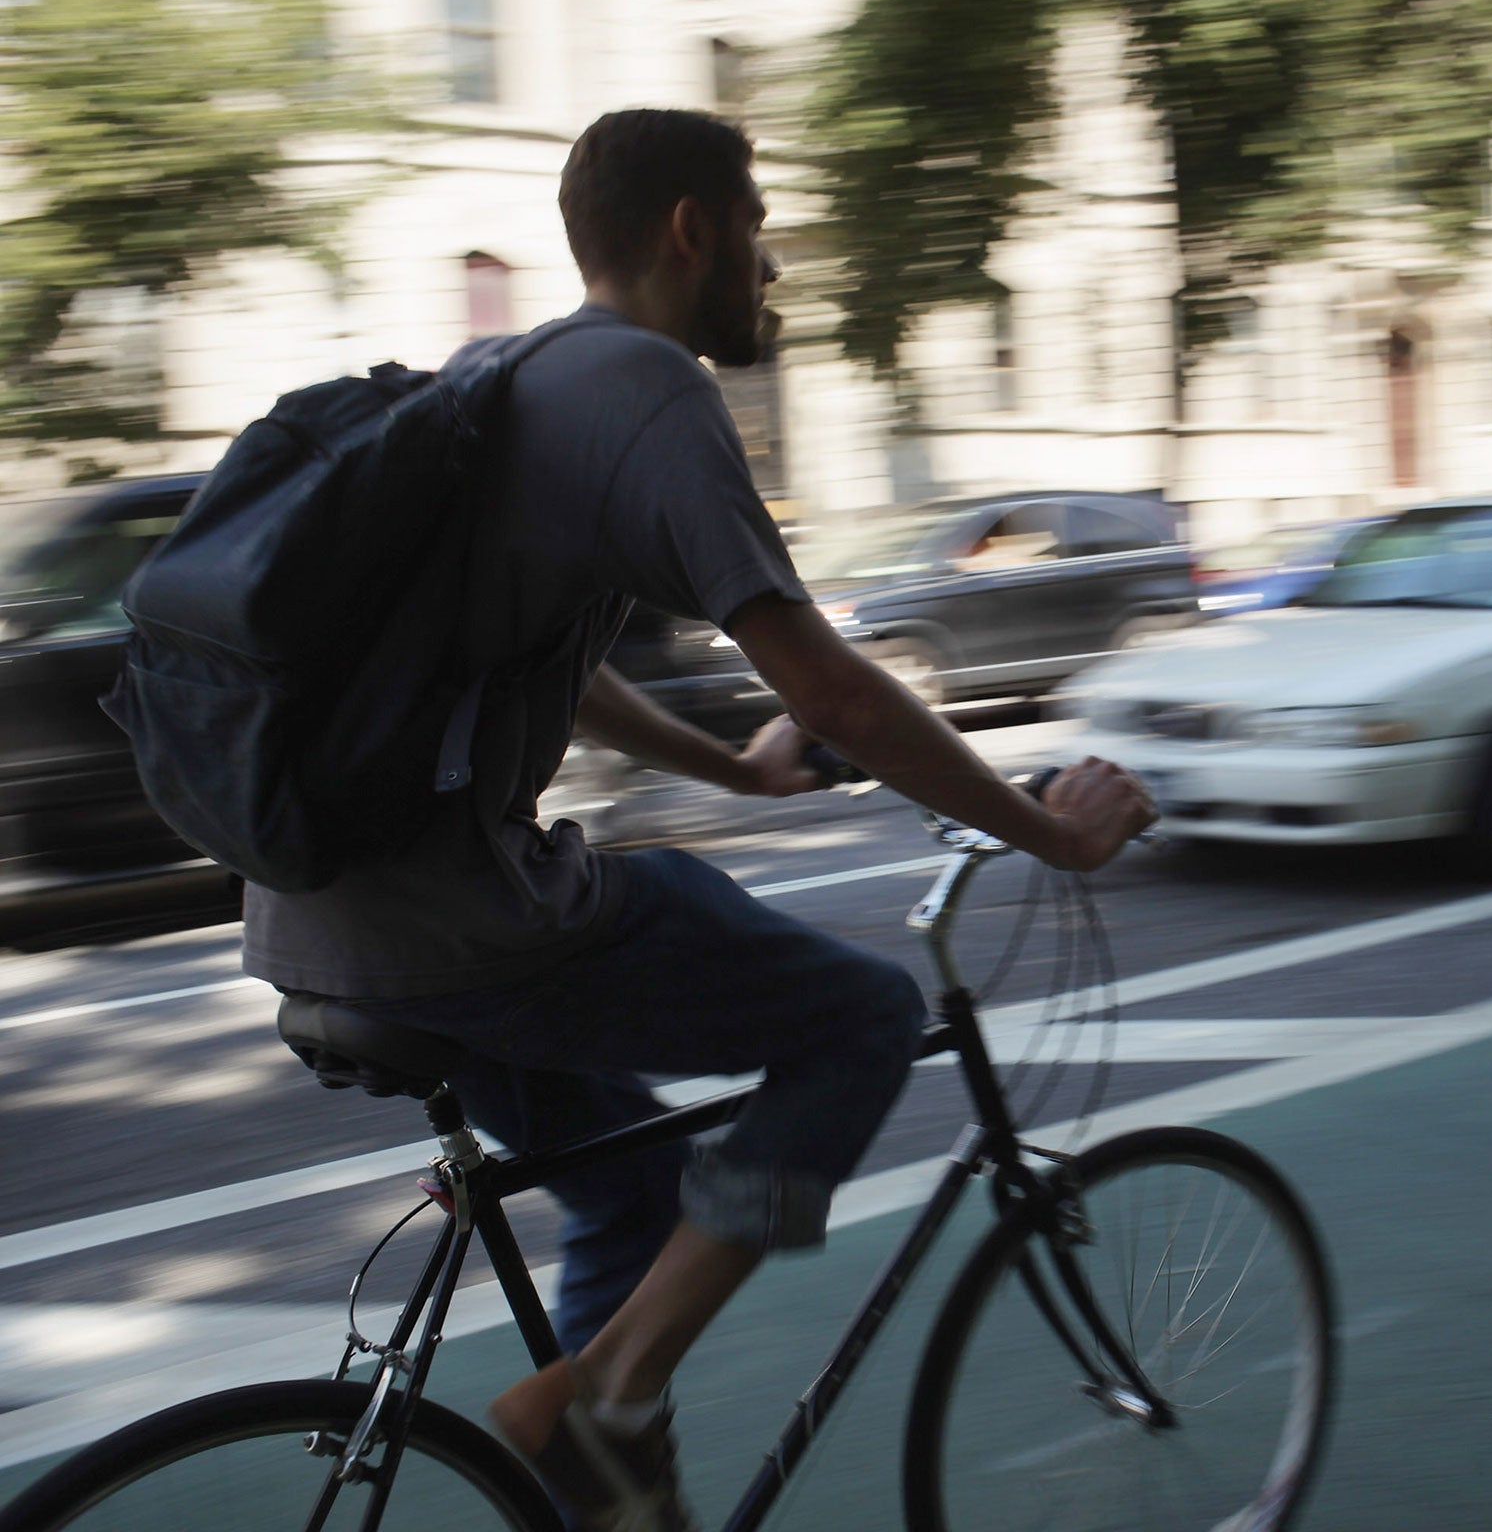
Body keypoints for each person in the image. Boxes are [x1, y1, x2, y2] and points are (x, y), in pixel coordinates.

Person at [239, 108, 1155, 1531]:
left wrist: (732, 773)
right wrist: (1056, 829)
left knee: (636, 1195)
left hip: (312, 920)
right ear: (691, 231)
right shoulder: (648, 390)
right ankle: (601, 1400)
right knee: (855, 1021)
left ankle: (609, 1479)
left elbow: (561, 669)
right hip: (468, 926)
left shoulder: (505, 374)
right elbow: (837, 690)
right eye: (762, 229)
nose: (774, 268)